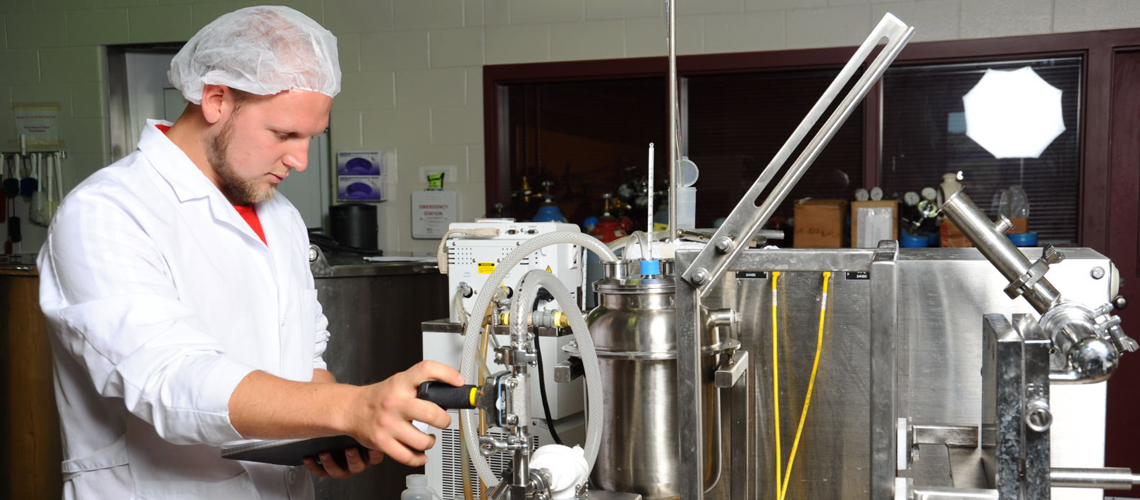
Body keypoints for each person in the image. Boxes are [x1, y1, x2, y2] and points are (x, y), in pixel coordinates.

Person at [37, 6, 463, 499]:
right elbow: (168, 382)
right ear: (216, 99)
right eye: (284, 134)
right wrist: (349, 408)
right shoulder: (105, 213)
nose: (299, 160)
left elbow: (304, 361)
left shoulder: (278, 216)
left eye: (310, 138)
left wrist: (336, 432)